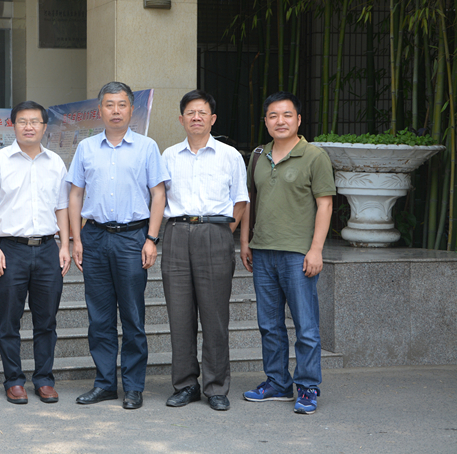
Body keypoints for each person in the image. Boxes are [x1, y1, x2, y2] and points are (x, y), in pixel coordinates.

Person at [67, 81, 169, 410]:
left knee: (133, 316)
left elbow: (158, 194)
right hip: (95, 236)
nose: (115, 111)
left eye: (121, 104)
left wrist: (151, 239)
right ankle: (105, 384)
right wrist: (76, 239)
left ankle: (134, 387)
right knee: (99, 317)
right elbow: (75, 195)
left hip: (132, 238)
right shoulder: (86, 148)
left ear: (131, 109)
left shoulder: (147, 147)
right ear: (100, 110)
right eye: (109, 105)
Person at [240, 91, 335, 415]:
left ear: (298, 119)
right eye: (273, 116)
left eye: (287, 115)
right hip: (263, 252)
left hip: (298, 254)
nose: (280, 121)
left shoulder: (314, 156)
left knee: (306, 325)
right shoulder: (258, 156)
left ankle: (307, 386)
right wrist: (245, 242)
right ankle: (278, 382)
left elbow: (325, 205)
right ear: (266, 121)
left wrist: (316, 250)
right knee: (269, 324)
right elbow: (249, 201)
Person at [0, 101, 71, 405]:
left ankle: (44, 380)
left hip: (47, 249)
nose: (29, 127)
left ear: (44, 127)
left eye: (35, 122)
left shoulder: (55, 162)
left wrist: (64, 245)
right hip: (11, 250)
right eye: (22, 121)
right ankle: (14, 380)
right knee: (9, 320)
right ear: (13, 125)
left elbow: (62, 207)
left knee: (47, 320)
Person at [161, 90, 249, 412]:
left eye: (202, 112)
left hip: (215, 232)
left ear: (212, 119)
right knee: (179, 315)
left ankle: (216, 386)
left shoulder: (229, 155)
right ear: (181, 119)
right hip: (176, 233)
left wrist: (223, 234)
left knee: (215, 316)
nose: (196, 117)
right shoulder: (169, 155)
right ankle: (185, 384)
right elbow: (158, 198)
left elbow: (241, 200)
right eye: (190, 112)